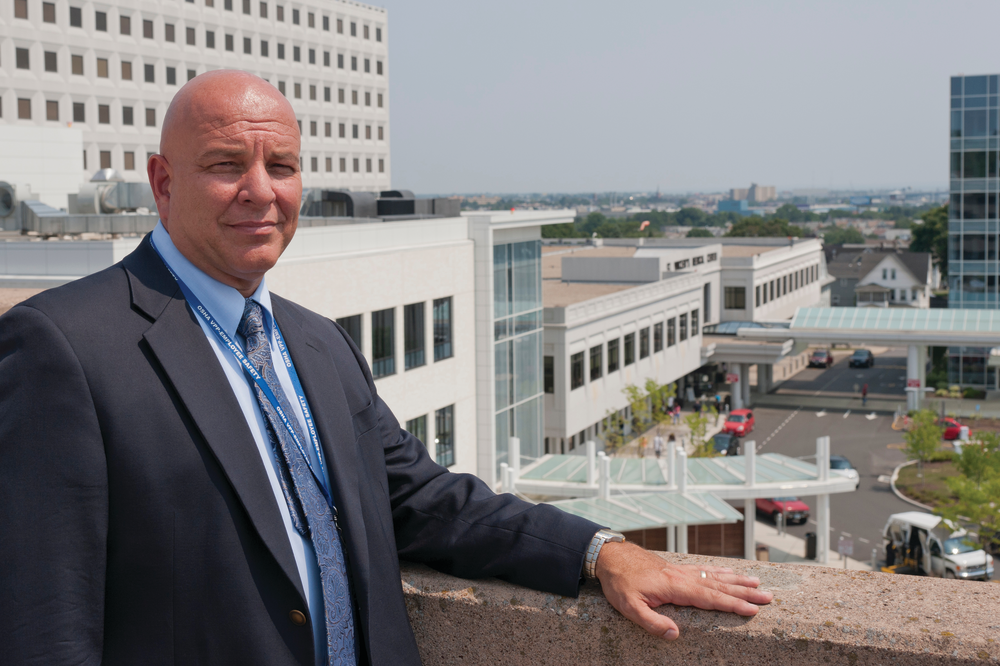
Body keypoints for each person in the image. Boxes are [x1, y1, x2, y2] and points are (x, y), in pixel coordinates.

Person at [0, 71, 770, 665]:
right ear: (163, 184)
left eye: (283, 165)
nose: (261, 191)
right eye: (226, 164)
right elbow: (43, 623)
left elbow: (424, 502)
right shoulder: (64, 346)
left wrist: (602, 551)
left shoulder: (315, 343)